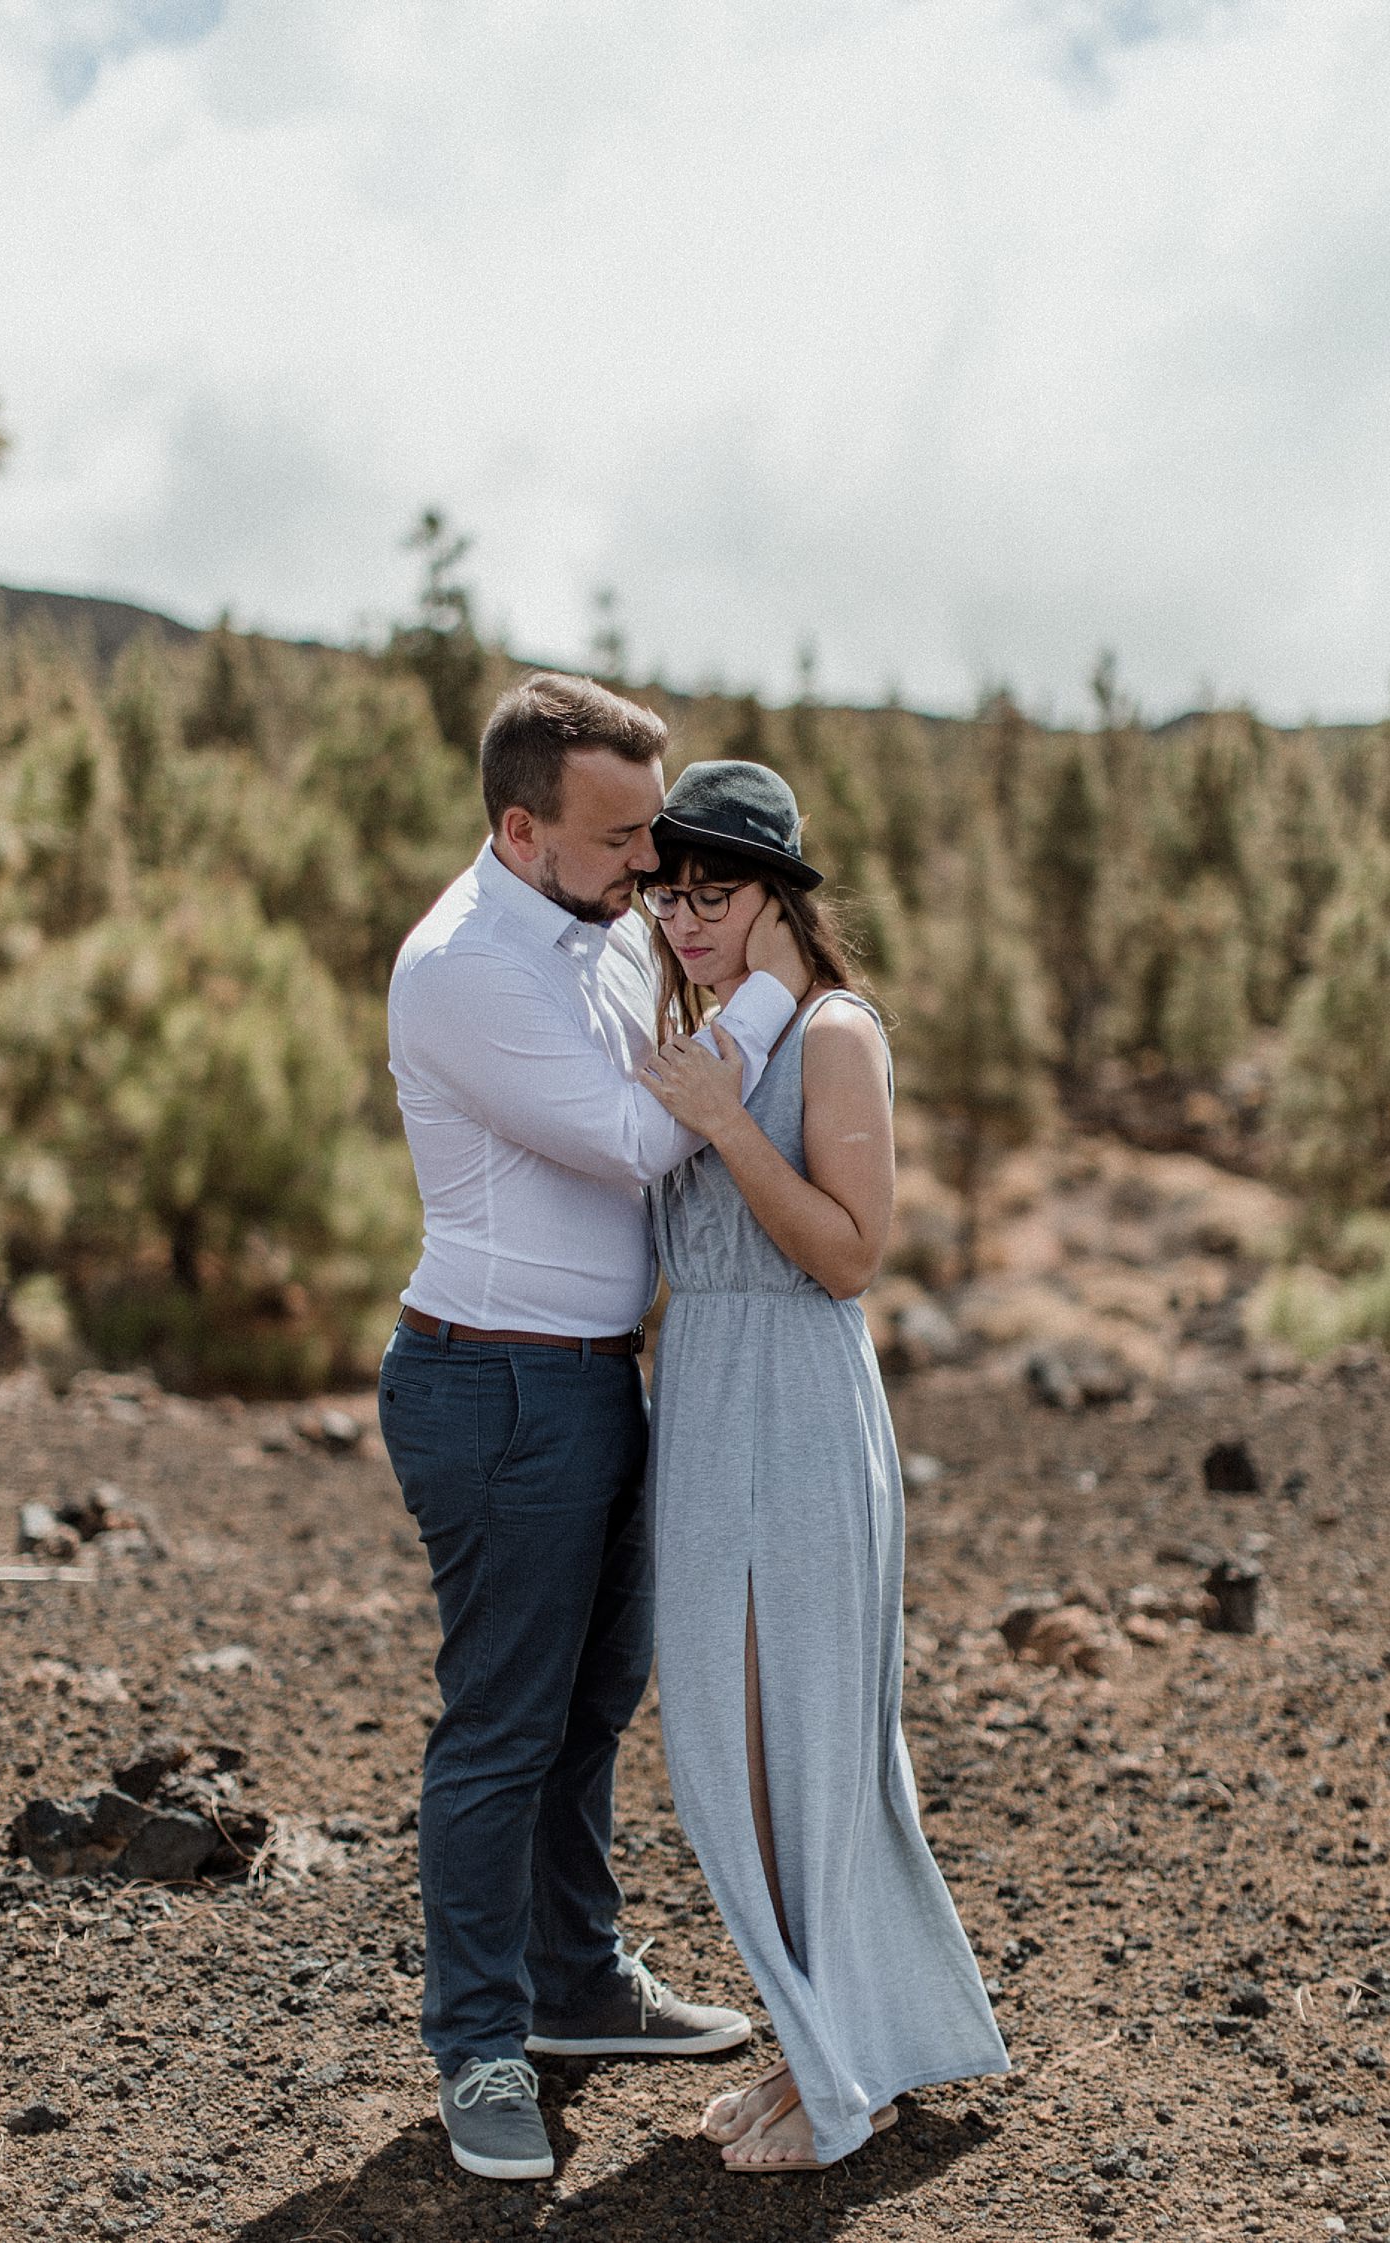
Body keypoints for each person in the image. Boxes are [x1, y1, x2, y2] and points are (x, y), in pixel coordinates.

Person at [377, 673, 805, 2184]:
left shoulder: (607, 928)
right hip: (492, 1383)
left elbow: (660, 1094)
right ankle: (480, 2037)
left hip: (591, 1378)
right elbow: (640, 1129)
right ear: (521, 824)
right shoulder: (461, 967)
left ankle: (576, 1979)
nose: (652, 862)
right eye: (624, 833)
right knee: (499, 1722)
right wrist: (782, 980)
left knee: (588, 1701)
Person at [632, 761, 1008, 2172]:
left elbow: (851, 1252)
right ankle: (819, 2027)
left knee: (801, 1733)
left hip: (795, 1394)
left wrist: (724, 1121)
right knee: (731, 1734)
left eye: (713, 892)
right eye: (668, 894)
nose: (685, 917)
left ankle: (830, 2054)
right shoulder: (715, 1024)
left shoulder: (834, 1033)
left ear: (781, 892)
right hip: (706, 1402)